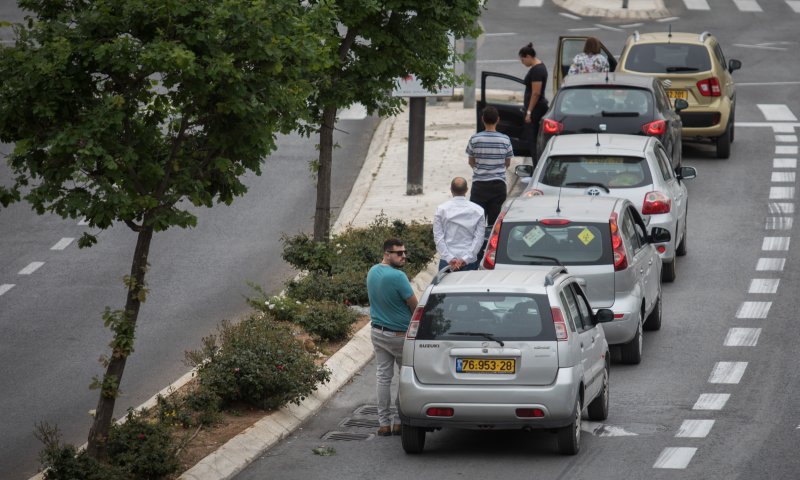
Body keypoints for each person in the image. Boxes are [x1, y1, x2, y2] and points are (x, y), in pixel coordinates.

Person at [366, 239, 418, 437]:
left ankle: (383, 423)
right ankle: (398, 421)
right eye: (399, 253)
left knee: (383, 377)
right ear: (387, 254)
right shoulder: (398, 276)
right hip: (399, 336)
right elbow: (414, 305)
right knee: (403, 378)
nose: (403, 256)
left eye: (405, 252)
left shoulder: (372, 272)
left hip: (377, 332)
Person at [466, 106, 514, 226]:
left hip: (479, 185)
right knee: (495, 225)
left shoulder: (475, 139)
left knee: (477, 223)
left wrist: (480, 169)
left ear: (482, 119)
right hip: (499, 186)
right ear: (498, 120)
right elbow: (507, 163)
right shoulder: (505, 140)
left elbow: (471, 161)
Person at [433, 177, 485, 272]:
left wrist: (449, 258)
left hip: (447, 261)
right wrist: (466, 258)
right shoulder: (479, 211)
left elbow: (438, 237)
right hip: (470, 262)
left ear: (451, 189)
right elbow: (479, 239)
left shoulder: (441, 210)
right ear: (466, 190)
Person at [519, 42, 549, 165]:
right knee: (533, 140)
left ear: (528, 57)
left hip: (535, 109)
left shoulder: (537, 70)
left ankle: (536, 168)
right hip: (536, 108)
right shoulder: (538, 67)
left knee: (533, 140)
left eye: (522, 59)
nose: (522, 62)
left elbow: (536, 93)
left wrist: (529, 112)